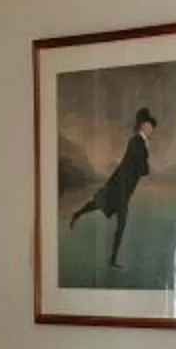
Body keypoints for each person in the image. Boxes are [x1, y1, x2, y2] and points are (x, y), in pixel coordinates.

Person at [69, 106, 157, 271]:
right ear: (142, 126)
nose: (152, 128)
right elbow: (143, 169)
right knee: (118, 220)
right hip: (121, 186)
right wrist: (144, 164)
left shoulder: (141, 143)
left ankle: (77, 214)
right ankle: (112, 259)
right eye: (149, 125)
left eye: (152, 126)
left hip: (122, 185)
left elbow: (140, 167)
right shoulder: (137, 142)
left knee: (99, 203)